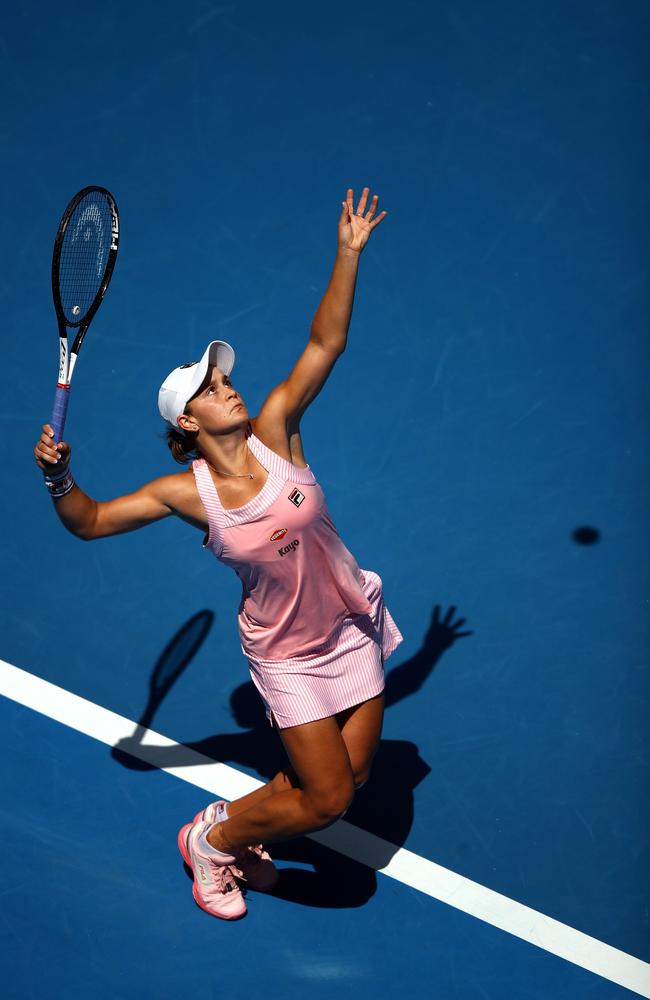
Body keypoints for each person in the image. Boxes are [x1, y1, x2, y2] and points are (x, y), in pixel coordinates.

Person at [34, 186, 403, 920]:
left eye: (226, 378)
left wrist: (348, 253)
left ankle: (247, 828)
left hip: (350, 621)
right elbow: (92, 522)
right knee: (326, 800)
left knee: (356, 775)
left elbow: (325, 343)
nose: (229, 390)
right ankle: (214, 838)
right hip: (289, 654)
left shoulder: (276, 429)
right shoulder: (185, 493)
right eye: (213, 388)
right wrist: (58, 477)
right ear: (188, 420)